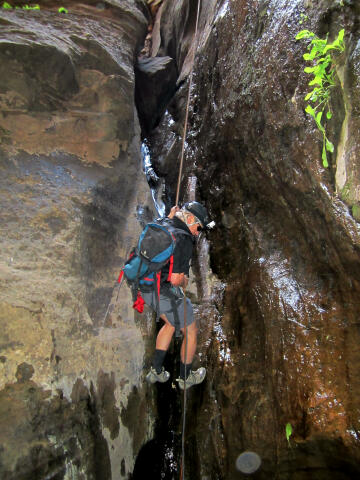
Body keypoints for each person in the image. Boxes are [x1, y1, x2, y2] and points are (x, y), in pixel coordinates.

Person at [141, 201, 212, 389]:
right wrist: (184, 281)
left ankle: (156, 371)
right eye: (198, 227)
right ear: (189, 219)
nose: (198, 232)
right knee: (190, 331)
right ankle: (185, 377)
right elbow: (174, 280)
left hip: (145, 285)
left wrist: (173, 214)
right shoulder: (184, 239)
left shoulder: (164, 221)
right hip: (163, 292)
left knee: (171, 323)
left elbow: (168, 222)